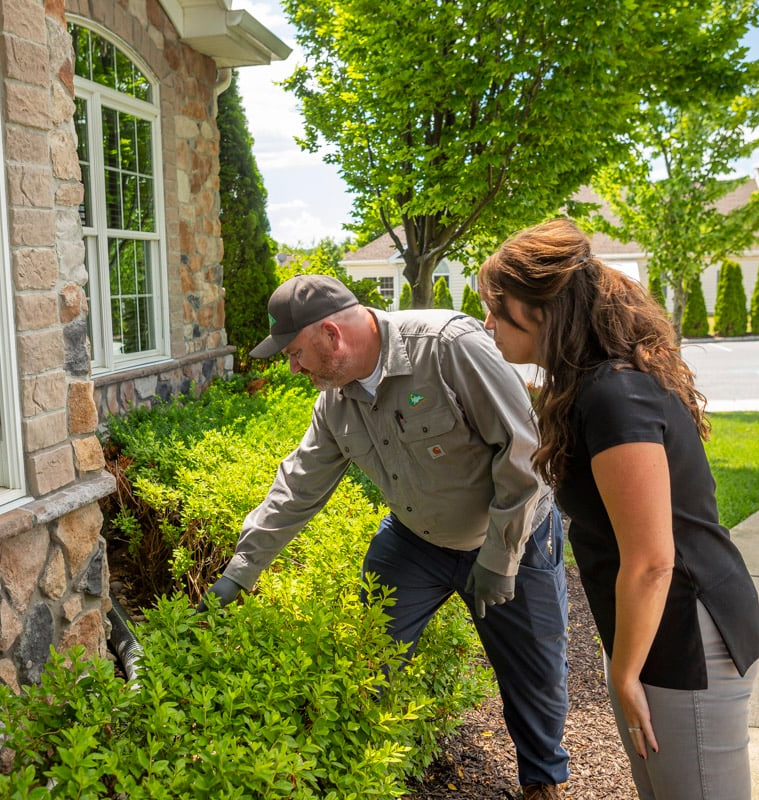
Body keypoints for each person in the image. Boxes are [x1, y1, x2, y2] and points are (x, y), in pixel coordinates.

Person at [201, 274, 571, 799]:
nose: (293, 367)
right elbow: (297, 488)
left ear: (332, 334)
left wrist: (500, 556)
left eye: (296, 353)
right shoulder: (335, 402)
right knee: (370, 651)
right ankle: (363, 766)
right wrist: (239, 574)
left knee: (534, 672)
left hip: (513, 532)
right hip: (416, 539)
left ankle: (542, 783)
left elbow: (524, 455)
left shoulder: (449, 348)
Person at [477, 218, 759, 800]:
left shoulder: (614, 394)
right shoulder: (590, 385)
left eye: (495, 306)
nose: (487, 322)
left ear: (541, 310)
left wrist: (624, 670)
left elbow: (653, 560)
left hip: (685, 630)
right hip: (658, 625)